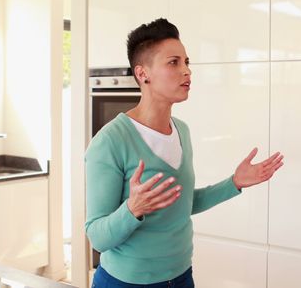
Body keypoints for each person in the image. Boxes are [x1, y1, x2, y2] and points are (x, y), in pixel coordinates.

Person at [85, 18, 284, 287]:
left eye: (187, 62)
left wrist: (234, 183)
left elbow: (182, 204)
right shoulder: (110, 142)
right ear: (143, 74)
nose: (187, 71)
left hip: (180, 276)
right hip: (126, 282)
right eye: (174, 62)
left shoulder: (181, 131)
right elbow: (97, 237)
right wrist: (132, 209)